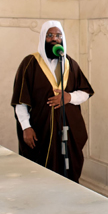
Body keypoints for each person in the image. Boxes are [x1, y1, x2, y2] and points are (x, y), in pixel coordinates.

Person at [11, 20, 94, 183]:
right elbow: (21, 101)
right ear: (43, 37)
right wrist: (26, 127)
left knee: (68, 170)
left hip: (68, 129)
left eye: (58, 35)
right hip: (40, 129)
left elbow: (85, 92)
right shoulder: (30, 63)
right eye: (50, 35)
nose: (55, 39)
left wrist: (69, 97)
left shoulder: (69, 64)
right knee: (40, 172)